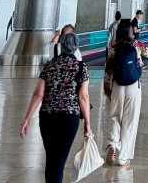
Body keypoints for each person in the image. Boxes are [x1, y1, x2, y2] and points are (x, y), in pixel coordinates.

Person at [20, 32, 90, 183]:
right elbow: (83, 97)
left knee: (52, 160)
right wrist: (87, 124)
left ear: (61, 45)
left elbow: (39, 94)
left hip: (47, 116)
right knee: (58, 162)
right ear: (76, 47)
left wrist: (27, 119)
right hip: (69, 118)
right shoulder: (81, 67)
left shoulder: (50, 65)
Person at [104, 19, 142, 168]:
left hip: (117, 85)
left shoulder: (114, 47)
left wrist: (107, 87)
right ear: (130, 31)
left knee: (115, 116)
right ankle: (123, 157)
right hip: (133, 86)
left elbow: (108, 70)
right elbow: (143, 61)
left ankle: (112, 145)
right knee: (130, 121)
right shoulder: (136, 46)